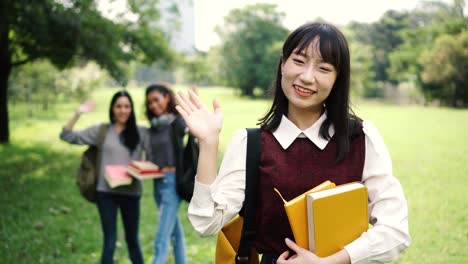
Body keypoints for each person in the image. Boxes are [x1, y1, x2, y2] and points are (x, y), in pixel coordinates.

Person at [175, 22, 411, 264]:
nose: (307, 77)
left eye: (324, 68)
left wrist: (329, 262)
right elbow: (205, 223)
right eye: (299, 61)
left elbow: (396, 231)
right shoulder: (252, 144)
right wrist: (208, 143)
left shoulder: (360, 138)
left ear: (337, 78)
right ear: (282, 64)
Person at [60, 91, 146, 264]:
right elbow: (67, 136)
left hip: (131, 193)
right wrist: (78, 113)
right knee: (109, 241)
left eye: (127, 106)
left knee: (132, 241)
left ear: (131, 109)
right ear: (112, 109)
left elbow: (160, 148)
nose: (123, 110)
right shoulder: (102, 131)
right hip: (106, 193)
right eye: (119, 106)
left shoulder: (141, 132)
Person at [144, 83, 187, 264]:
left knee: (161, 239)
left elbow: (192, 129)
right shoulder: (153, 126)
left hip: (171, 184)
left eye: (156, 100)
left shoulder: (177, 122)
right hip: (157, 182)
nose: (153, 105)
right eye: (149, 102)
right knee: (175, 234)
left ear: (167, 98)